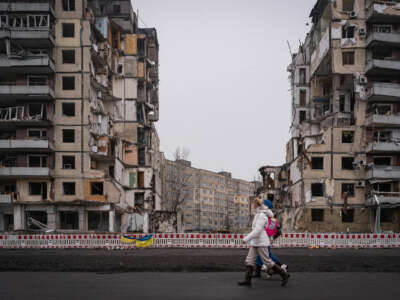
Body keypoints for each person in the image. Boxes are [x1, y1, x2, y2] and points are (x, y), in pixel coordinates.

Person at [238, 197, 290, 287]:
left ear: (258, 205)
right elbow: (255, 229)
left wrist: (246, 239)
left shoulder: (262, 215)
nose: (252, 205)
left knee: (267, 261)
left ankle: (284, 275)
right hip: (255, 242)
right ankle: (247, 280)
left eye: (254, 203)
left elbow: (258, 230)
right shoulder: (258, 213)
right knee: (249, 260)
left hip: (261, 242)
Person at [254, 199, 288, 278]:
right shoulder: (267, 216)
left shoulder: (269, 217)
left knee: (267, 256)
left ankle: (281, 266)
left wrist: (271, 238)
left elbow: (276, 231)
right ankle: (257, 272)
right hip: (264, 239)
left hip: (265, 240)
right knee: (262, 255)